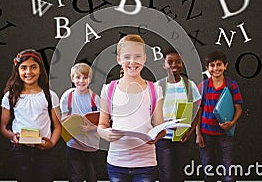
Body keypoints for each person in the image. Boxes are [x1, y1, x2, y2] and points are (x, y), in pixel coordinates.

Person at [97, 34, 165, 182]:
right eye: (127, 56)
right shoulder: (108, 90)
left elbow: (160, 127)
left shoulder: (155, 90)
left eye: (138, 56)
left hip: (146, 163)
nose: (132, 61)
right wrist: (105, 133)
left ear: (145, 58)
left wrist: (157, 135)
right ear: (119, 59)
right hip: (117, 162)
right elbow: (101, 125)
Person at [0, 49, 62, 182]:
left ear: (40, 69)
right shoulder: (10, 96)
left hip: (44, 152)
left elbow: (57, 126)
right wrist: (13, 136)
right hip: (21, 151)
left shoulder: (50, 96)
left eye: (33, 67)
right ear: (17, 70)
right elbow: (4, 127)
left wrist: (51, 144)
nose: (28, 72)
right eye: (24, 68)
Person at [155, 48, 202, 182]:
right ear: (164, 64)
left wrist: (190, 132)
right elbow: (150, 112)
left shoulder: (189, 85)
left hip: (182, 138)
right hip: (163, 138)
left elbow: (197, 110)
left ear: (182, 64)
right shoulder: (158, 86)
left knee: (179, 174)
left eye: (178, 62)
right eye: (170, 62)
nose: (174, 65)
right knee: (167, 175)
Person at [196, 51, 243, 182]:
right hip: (206, 134)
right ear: (207, 68)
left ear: (225, 66)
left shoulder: (232, 85)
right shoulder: (203, 86)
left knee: (228, 169)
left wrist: (232, 123)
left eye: (219, 64)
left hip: (225, 134)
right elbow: (198, 111)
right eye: (212, 65)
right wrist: (198, 134)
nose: (216, 68)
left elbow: (239, 108)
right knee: (209, 170)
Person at [59, 63, 101, 182]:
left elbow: (103, 122)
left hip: (91, 146)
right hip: (73, 145)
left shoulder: (95, 99)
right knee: (75, 177)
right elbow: (63, 120)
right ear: (72, 78)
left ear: (90, 79)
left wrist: (90, 128)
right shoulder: (67, 96)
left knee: (91, 177)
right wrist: (71, 124)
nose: (81, 81)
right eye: (78, 77)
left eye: (85, 77)